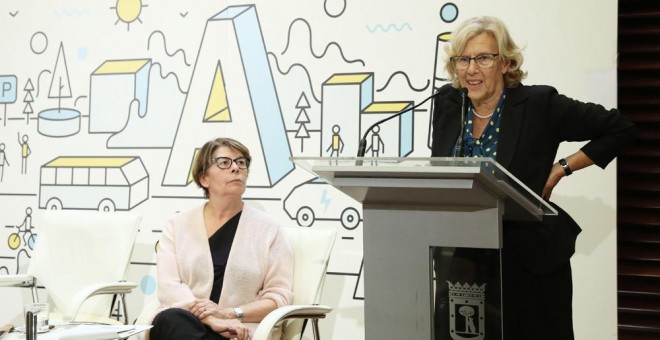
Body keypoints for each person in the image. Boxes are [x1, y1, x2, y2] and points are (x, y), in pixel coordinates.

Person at [430, 16, 636, 340]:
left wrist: (561, 168)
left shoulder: (538, 104)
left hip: (529, 261)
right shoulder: (447, 102)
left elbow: (620, 128)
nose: (471, 69)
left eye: (483, 57)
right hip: (466, 259)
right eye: (463, 59)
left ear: (505, 62)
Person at [149, 138, 294, 340]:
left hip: (238, 331)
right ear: (204, 179)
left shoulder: (270, 229)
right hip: (184, 323)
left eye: (241, 162)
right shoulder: (177, 225)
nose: (236, 168)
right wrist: (211, 319)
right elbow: (169, 287)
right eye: (224, 162)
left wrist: (230, 314)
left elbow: (278, 298)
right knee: (169, 319)